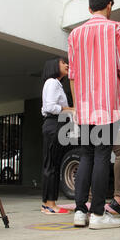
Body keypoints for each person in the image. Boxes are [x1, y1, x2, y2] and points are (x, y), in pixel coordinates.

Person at [68, 0, 120, 229]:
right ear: (109, 5)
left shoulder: (75, 34)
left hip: (86, 107)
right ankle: (98, 214)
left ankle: (80, 212)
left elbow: (73, 75)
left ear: (89, 8)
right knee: (101, 155)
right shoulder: (115, 28)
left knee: (86, 155)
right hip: (106, 104)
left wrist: (77, 107)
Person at [40, 57, 73, 215]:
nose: (67, 65)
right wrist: (71, 109)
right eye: (63, 63)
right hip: (54, 124)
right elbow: (50, 107)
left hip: (54, 125)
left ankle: (47, 203)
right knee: (52, 165)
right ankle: (50, 204)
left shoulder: (55, 84)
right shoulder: (52, 82)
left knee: (51, 164)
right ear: (54, 66)